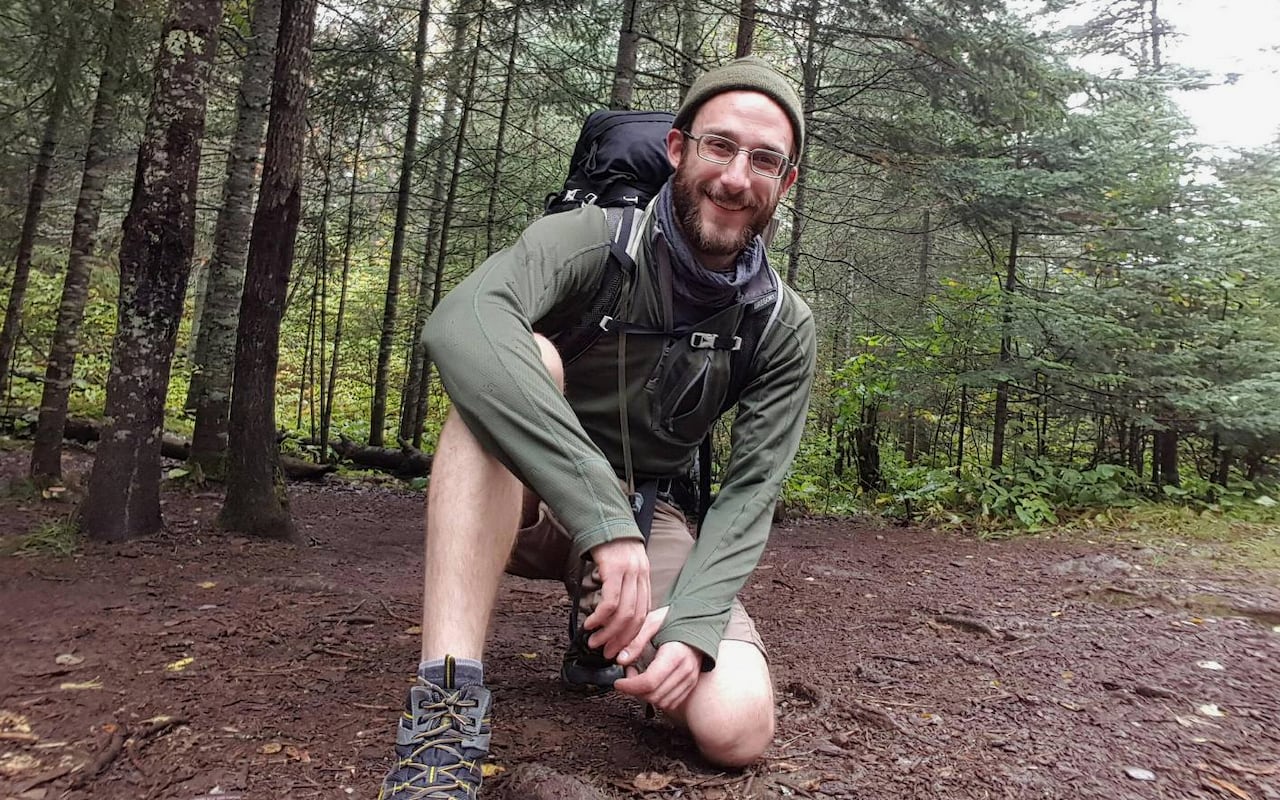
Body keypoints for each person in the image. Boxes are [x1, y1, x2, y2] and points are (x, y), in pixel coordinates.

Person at [378, 56, 817, 800]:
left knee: (737, 726)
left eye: (764, 160)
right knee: (526, 359)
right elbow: (462, 323)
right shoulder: (590, 239)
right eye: (719, 146)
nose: (736, 178)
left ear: (786, 181)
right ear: (678, 149)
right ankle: (445, 707)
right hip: (524, 496)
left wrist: (696, 626)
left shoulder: (778, 322)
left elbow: (751, 493)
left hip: (647, 518)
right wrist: (601, 517)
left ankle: (604, 619)